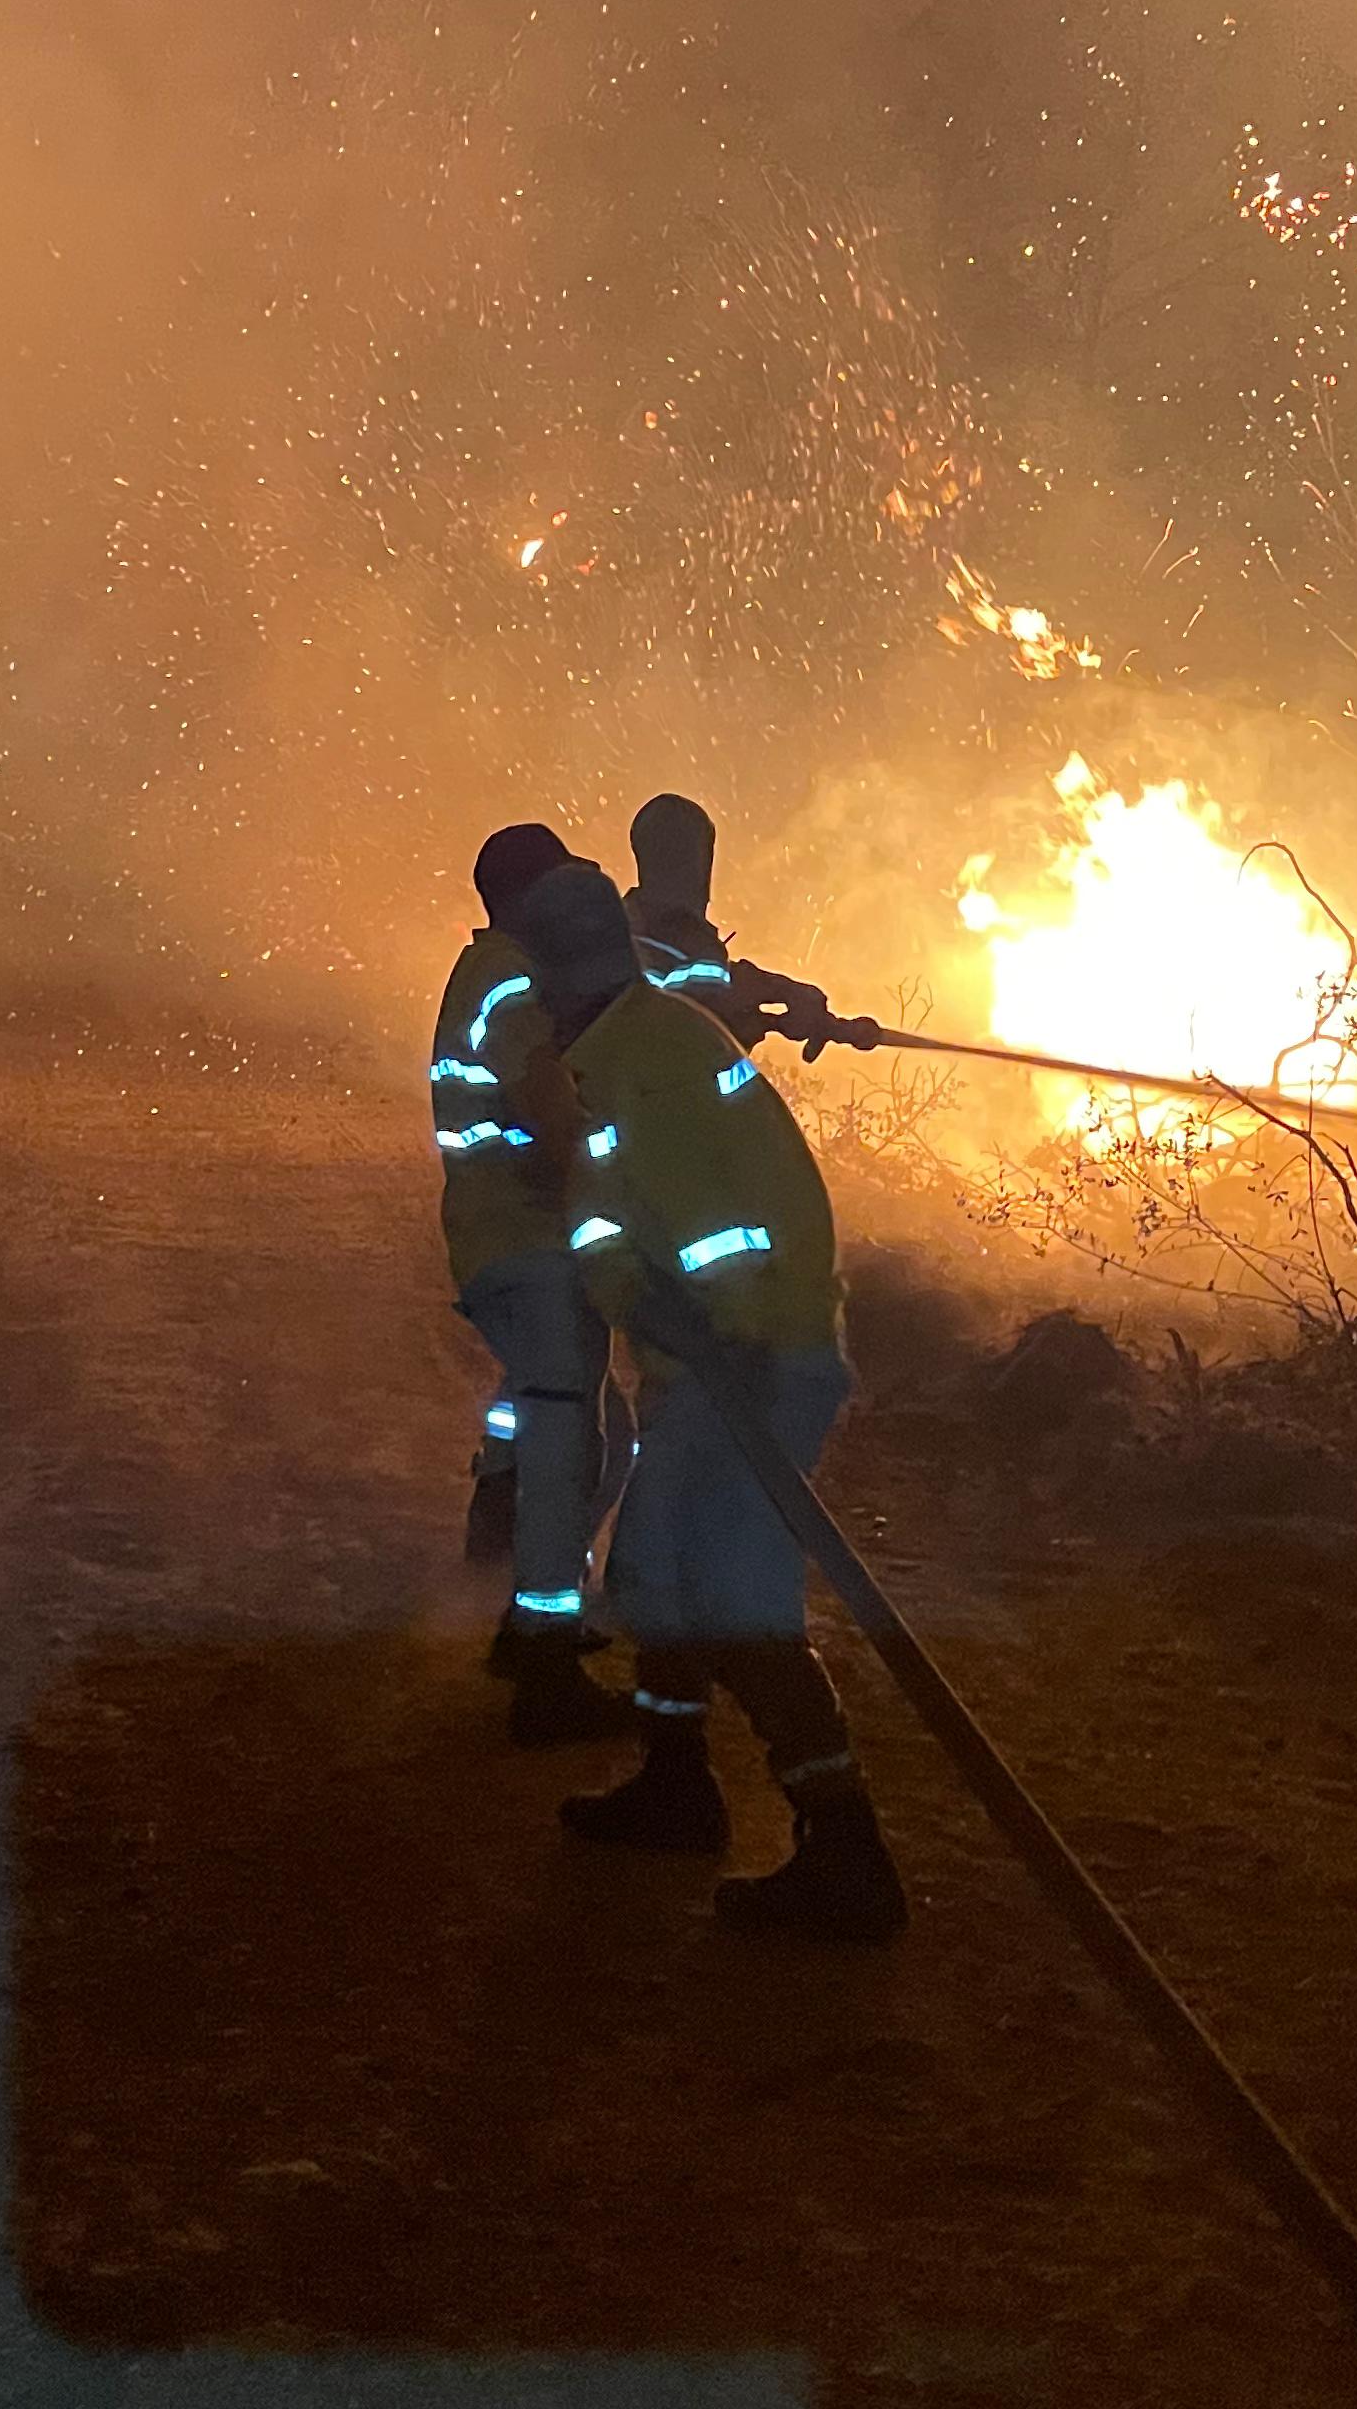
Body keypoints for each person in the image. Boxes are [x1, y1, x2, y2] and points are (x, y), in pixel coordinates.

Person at [507, 855, 907, 1940]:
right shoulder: (626, 1046)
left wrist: (717, 1321)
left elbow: (721, 1222)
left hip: (756, 1362)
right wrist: (627, 1280)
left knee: (739, 1604)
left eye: (540, 971)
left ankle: (847, 1853)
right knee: (657, 1579)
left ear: (558, 970)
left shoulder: (651, 1062)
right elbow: (617, 1215)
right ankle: (677, 1786)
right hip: (711, 1361)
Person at [429, 825, 638, 1747]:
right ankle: (543, 1663)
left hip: (513, 1240)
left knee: (571, 1423)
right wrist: (616, 1185)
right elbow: (543, 1097)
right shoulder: (510, 978)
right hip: (525, 1238)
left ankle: (506, 1550)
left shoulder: (507, 970)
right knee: (571, 1441)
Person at [625, 791, 841, 1053]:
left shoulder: (626, 931)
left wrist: (772, 1002)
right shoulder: (662, 945)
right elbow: (704, 995)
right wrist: (772, 997)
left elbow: (715, 989)